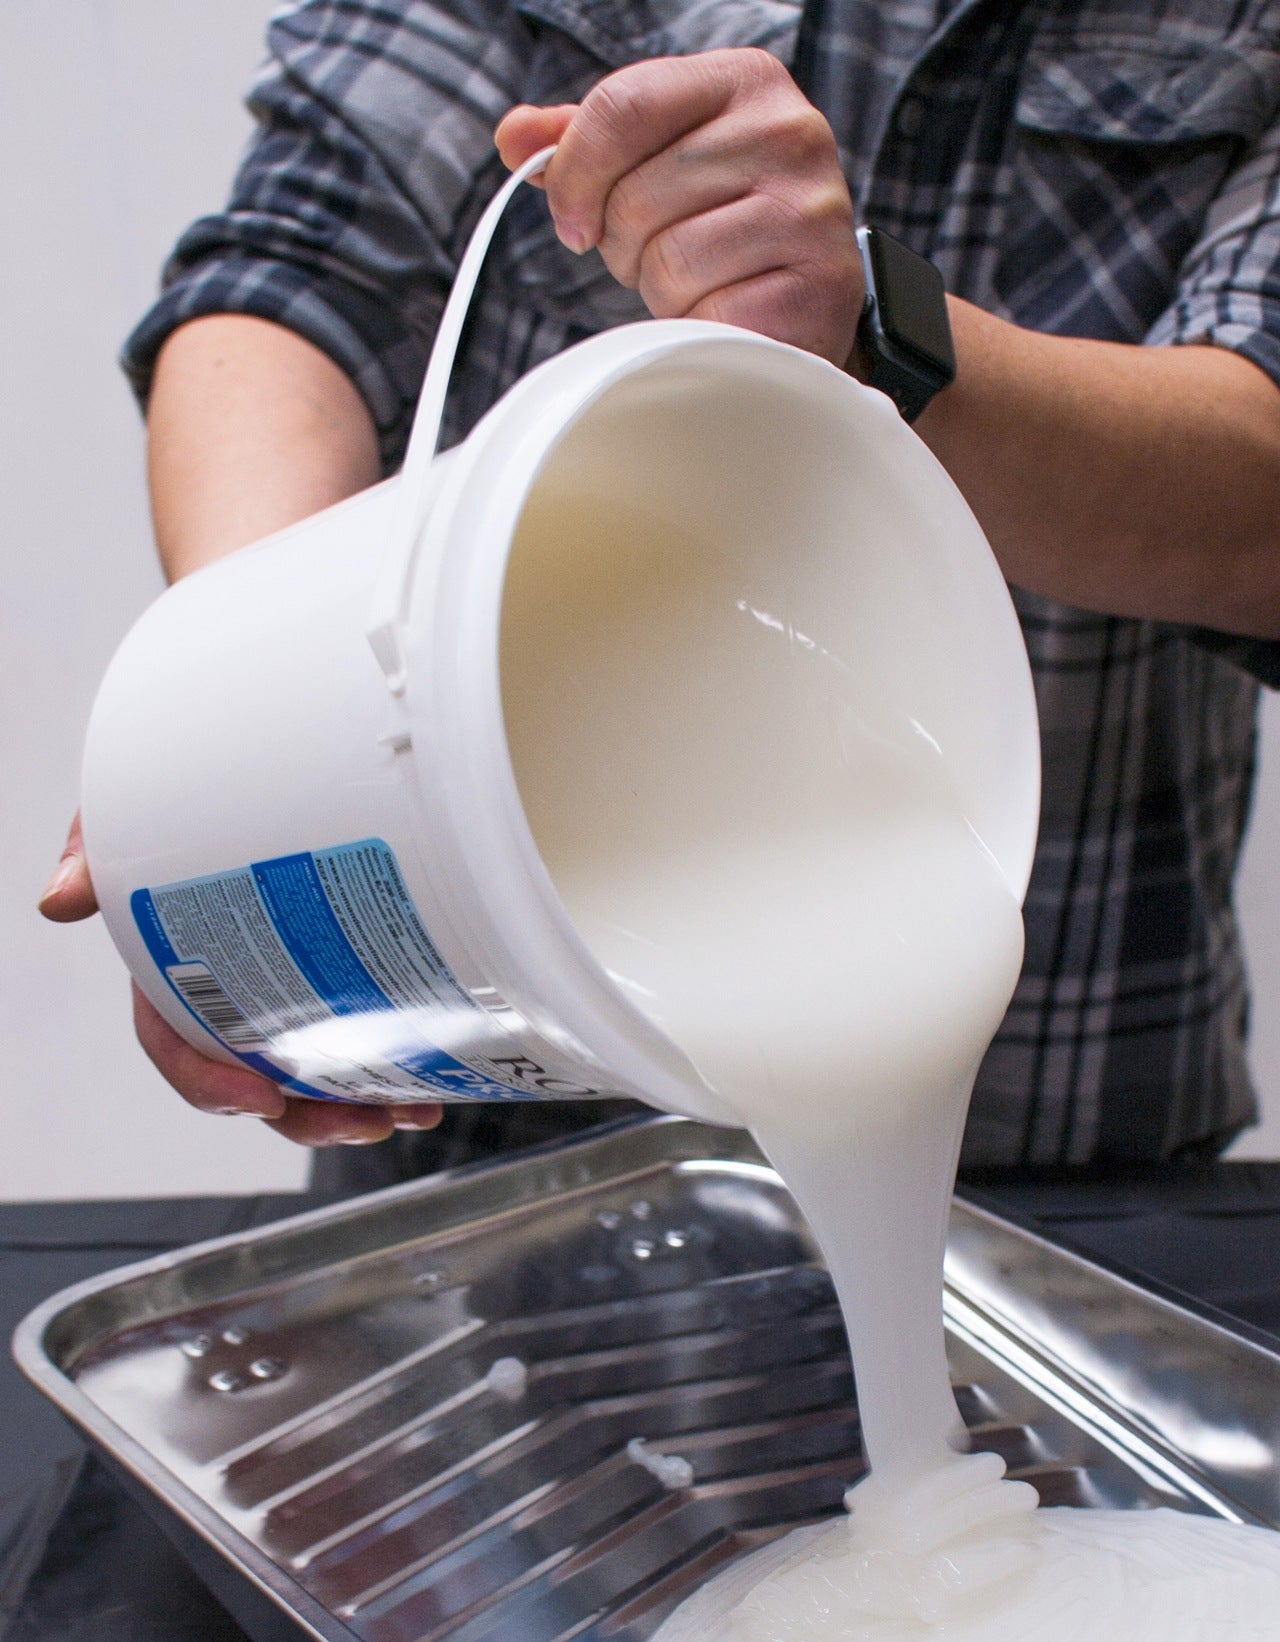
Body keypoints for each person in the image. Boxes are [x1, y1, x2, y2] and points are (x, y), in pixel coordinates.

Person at [38, 0, 1280, 1191]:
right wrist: (241, 720)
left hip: (1069, 1131)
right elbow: (297, 274)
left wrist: (873, 339)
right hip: (484, 1130)